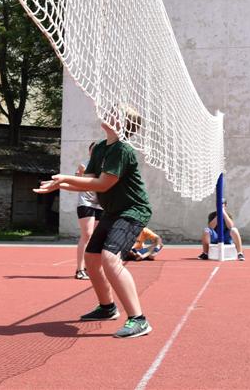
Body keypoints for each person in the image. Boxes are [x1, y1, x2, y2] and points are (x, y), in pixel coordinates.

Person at [35, 105, 152, 339]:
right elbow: (88, 182)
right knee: (91, 258)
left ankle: (139, 319)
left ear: (123, 123)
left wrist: (64, 179)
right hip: (112, 211)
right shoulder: (99, 148)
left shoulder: (122, 150)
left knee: (110, 258)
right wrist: (60, 184)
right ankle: (107, 307)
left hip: (132, 211)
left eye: (115, 113)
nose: (109, 114)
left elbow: (103, 184)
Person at [74, 141, 103, 280]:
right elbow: (76, 183)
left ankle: (90, 268)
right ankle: (79, 270)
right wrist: (80, 173)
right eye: (93, 149)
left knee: (97, 237)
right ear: (90, 151)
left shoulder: (104, 167)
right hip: (86, 203)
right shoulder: (84, 165)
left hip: (101, 205)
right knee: (87, 234)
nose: (95, 151)